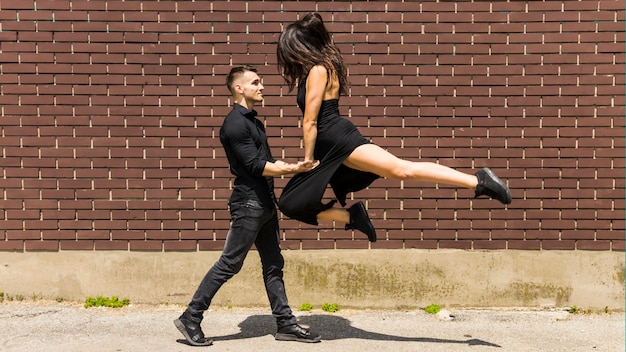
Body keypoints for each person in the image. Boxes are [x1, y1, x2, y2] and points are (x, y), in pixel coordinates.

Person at [275, 12, 511, 241]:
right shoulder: (325, 66)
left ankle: (478, 180)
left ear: (304, 46)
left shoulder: (318, 70)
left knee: (401, 169)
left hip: (337, 139)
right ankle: (352, 217)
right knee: (290, 202)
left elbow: (310, 120)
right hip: (330, 144)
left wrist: (307, 159)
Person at [174, 65, 326, 346]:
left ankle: (285, 324)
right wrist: (293, 169)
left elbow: (267, 162)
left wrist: (288, 167)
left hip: (264, 203)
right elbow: (256, 166)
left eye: (261, 82)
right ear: (238, 88)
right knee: (230, 263)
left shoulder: (253, 121)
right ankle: (191, 317)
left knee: (273, 265)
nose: (262, 87)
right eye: (255, 82)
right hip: (248, 204)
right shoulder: (235, 124)